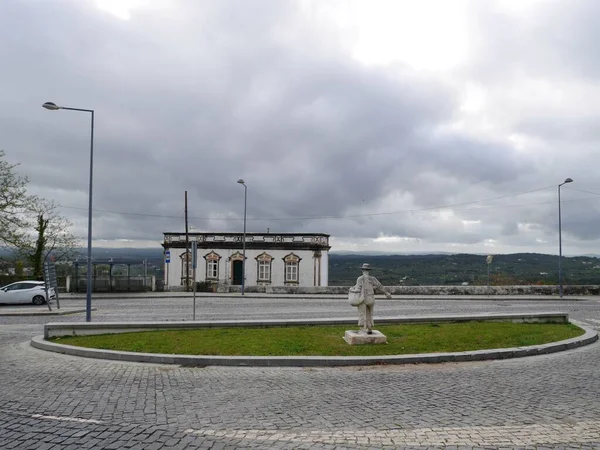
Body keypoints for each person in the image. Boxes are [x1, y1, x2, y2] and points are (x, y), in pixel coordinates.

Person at [352, 263, 392, 334]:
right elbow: (380, 286)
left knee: (362, 313)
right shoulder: (373, 278)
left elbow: (357, 289)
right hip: (371, 298)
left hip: (363, 298)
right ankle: (370, 328)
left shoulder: (360, 279)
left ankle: (363, 329)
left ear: (362, 270)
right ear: (369, 270)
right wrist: (386, 293)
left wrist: (352, 290)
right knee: (370, 313)